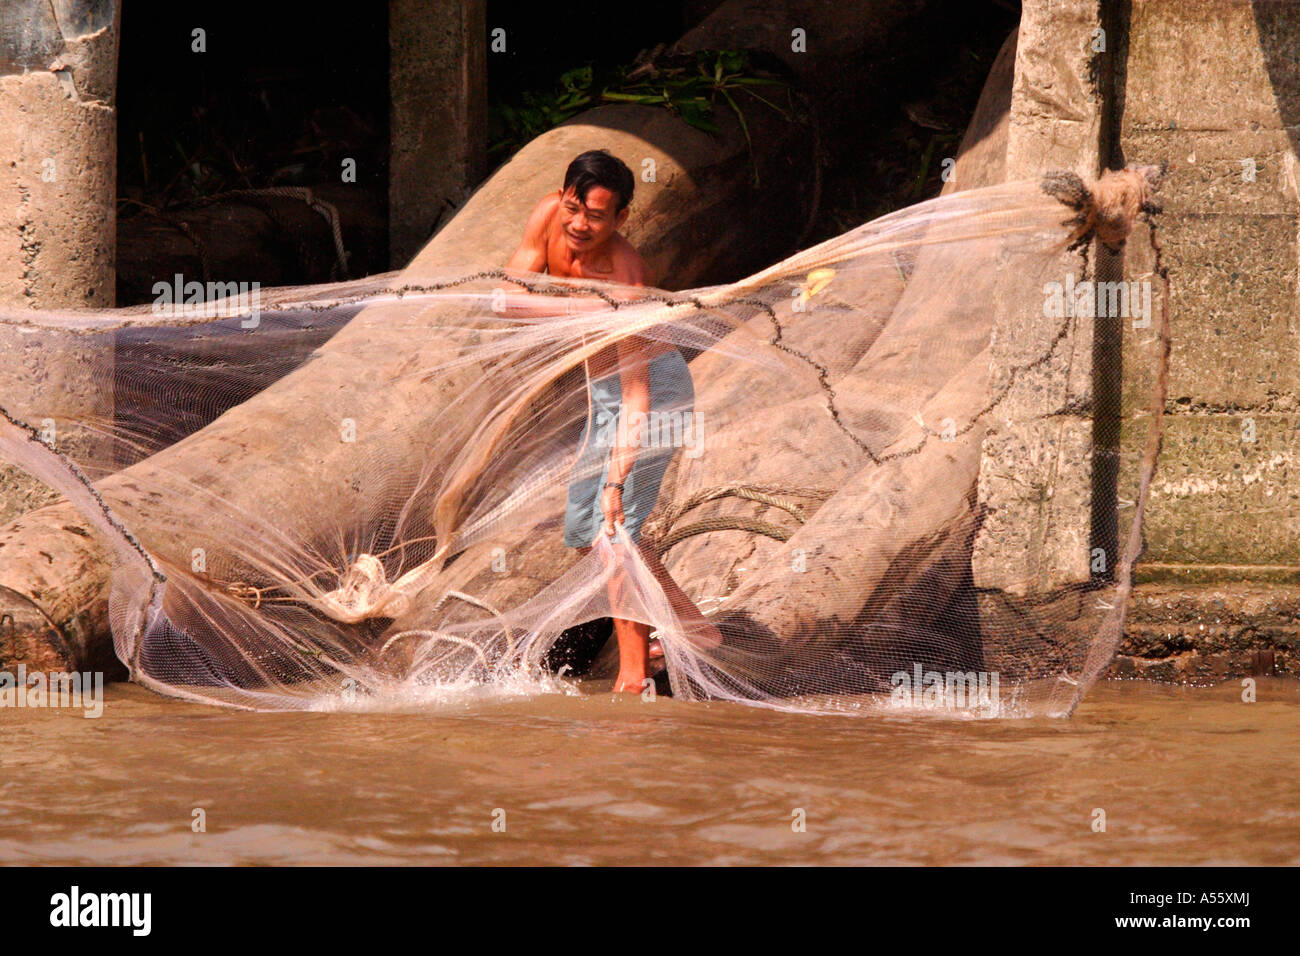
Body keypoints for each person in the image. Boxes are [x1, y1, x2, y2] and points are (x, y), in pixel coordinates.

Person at [502, 149, 720, 693]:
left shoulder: (624, 282)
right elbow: (506, 300)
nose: (578, 224)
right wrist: (585, 309)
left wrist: (617, 481)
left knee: (614, 533)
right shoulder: (548, 214)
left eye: (595, 216)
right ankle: (693, 628)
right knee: (583, 533)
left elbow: (639, 396)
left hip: (656, 398)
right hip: (604, 396)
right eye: (574, 206)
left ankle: (632, 676)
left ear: (620, 219)